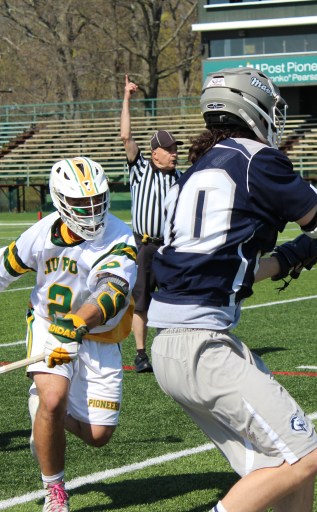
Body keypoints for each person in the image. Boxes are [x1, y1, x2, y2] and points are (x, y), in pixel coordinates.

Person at [147, 67, 317, 512]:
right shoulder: (256, 159)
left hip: (172, 347)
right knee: (304, 456)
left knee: (281, 467)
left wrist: (290, 257)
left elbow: (223, 270)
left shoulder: (199, 169)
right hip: (204, 348)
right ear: (252, 107)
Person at [0, 157, 137, 512]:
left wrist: (78, 323)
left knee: (98, 435)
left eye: (97, 201)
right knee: (53, 398)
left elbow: (113, 290)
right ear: (61, 201)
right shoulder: (42, 232)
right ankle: (55, 490)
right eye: (81, 204)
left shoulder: (120, 235)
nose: (92, 211)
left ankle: (45, 416)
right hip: (48, 323)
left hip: (98, 335)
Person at [120, 74, 181, 374]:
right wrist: (127, 99)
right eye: (169, 149)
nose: (174, 153)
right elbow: (126, 138)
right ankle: (141, 354)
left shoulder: (181, 178)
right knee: (142, 300)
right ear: (154, 152)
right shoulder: (140, 169)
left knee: (170, 300)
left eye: (175, 148)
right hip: (144, 245)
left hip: (170, 248)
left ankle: (165, 349)